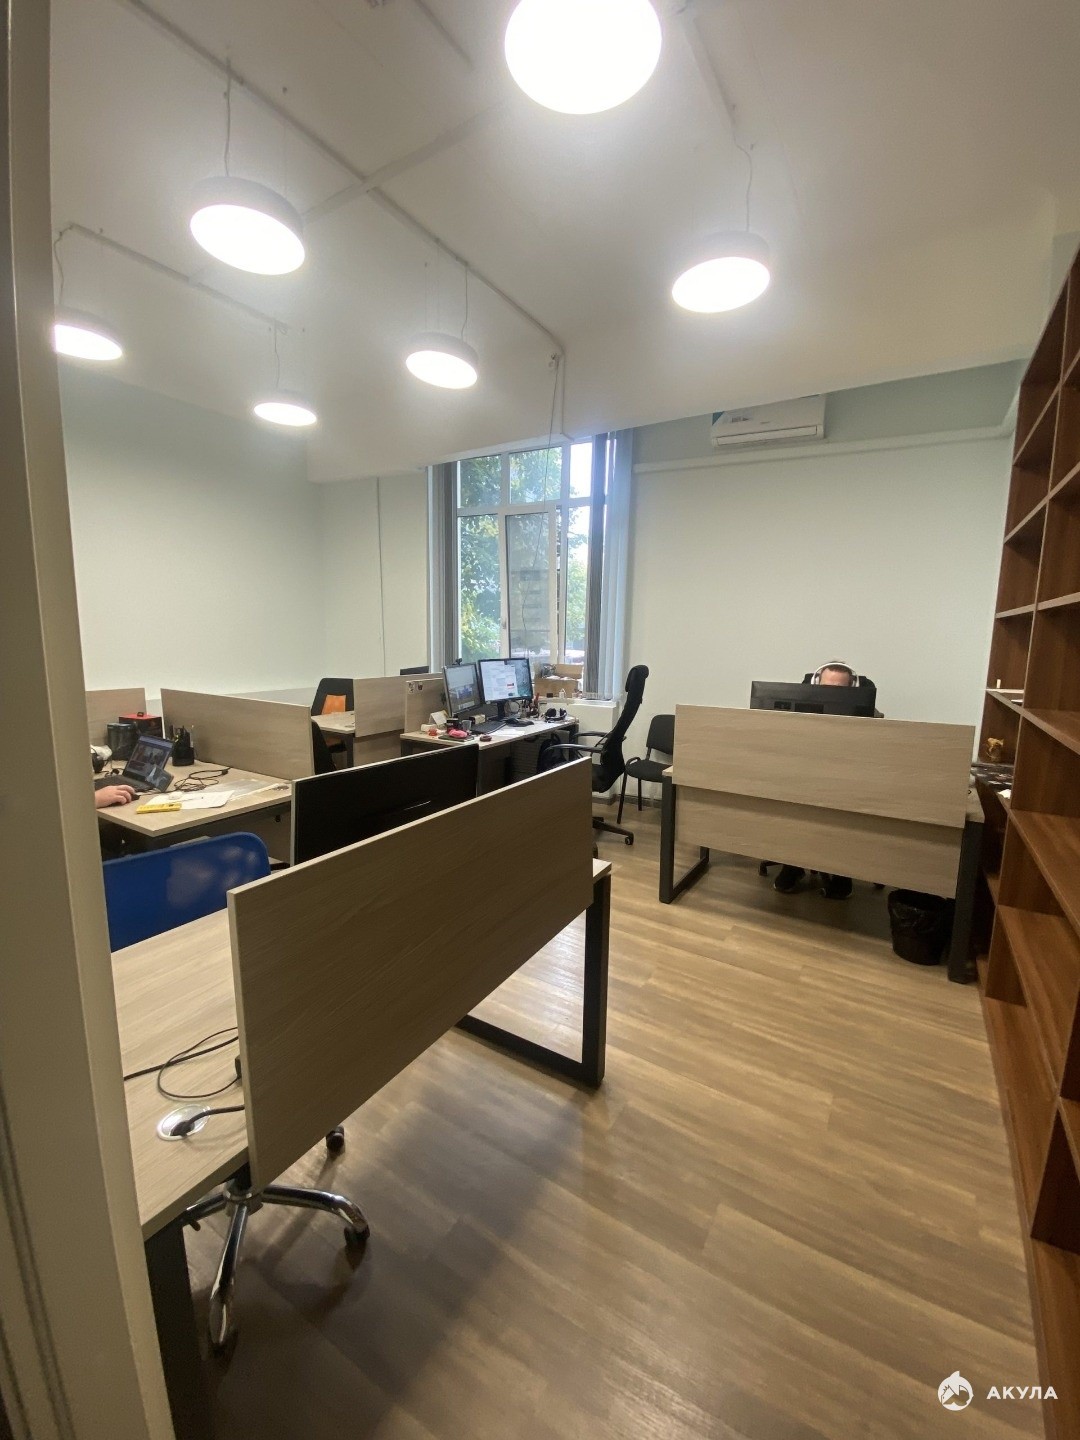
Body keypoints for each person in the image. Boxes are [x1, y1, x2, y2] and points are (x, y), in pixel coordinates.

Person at [772, 660, 863, 901]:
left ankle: (842, 875)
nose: (831, 696)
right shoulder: (799, 714)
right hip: (804, 777)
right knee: (792, 807)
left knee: (842, 816)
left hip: (843, 783)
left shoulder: (865, 717)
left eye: (839, 690)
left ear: (853, 690)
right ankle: (793, 865)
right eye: (825, 688)